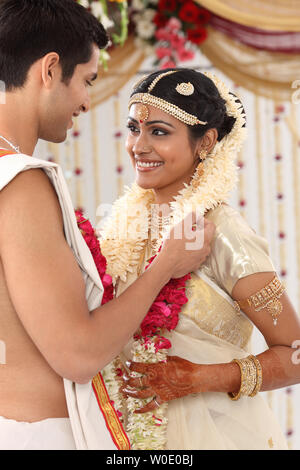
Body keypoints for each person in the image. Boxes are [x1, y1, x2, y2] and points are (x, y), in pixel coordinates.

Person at [0, 2, 215, 450]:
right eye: (87, 80)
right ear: (50, 69)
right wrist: (165, 266)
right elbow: (78, 355)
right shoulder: (20, 181)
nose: (86, 101)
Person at [100, 68, 300, 450]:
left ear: (205, 141)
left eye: (158, 131)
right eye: (133, 128)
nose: (138, 146)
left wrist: (198, 379)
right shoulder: (120, 231)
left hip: (218, 435)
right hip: (124, 433)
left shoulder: (223, 232)